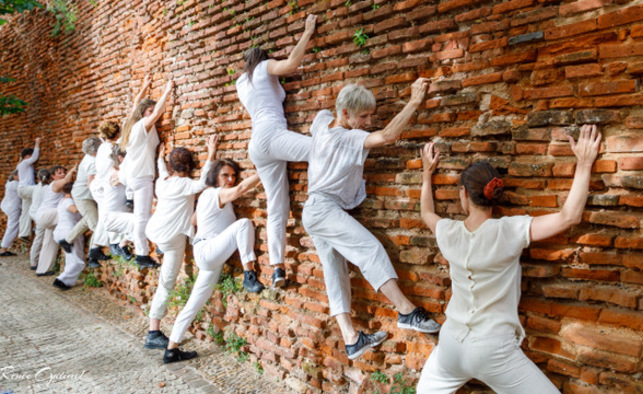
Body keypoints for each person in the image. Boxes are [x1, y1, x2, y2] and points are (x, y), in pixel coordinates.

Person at [415, 125, 602, 393]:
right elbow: (568, 217)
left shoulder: (448, 231)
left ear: (464, 195)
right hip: (492, 351)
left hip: (450, 346)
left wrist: (426, 175)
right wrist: (584, 163)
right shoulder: (509, 231)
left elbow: (426, 213)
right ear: (493, 196)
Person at [301, 79, 440, 360]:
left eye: (369, 115)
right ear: (344, 114)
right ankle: (407, 311)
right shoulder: (346, 136)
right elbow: (388, 135)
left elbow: (319, 118)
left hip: (316, 210)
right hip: (323, 209)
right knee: (369, 248)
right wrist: (414, 100)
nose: (368, 121)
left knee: (335, 273)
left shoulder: (322, 122)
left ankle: (351, 339)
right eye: (363, 116)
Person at [236, 14, 317, 288]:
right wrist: (307, 31)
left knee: (277, 207)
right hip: (272, 135)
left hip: (257, 145)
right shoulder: (262, 69)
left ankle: (278, 268)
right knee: (321, 149)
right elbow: (292, 64)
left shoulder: (240, 84)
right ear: (261, 59)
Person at [163, 159, 260, 363]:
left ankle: (171, 350)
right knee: (243, 224)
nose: (231, 179)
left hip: (207, 253)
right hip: (208, 249)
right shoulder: (217, 193)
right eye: (225, 175)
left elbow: (194, 220)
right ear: (215, 176)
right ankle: (249, 275)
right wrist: (266, 169)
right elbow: (241, 189)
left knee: (193, 304)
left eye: (233, 175)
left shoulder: (205, 195)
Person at [119, 78, 174, 268]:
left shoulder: (136, 125)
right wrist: (168, 90)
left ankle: (127, 242)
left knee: (142, 216)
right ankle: (142, 254)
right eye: (148, 112)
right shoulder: (141, 126)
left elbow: (136, 105)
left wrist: (144, 87)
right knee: (142, 217)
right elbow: (157, 111)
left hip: (137, 177)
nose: (153, 115)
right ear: (144, 114)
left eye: (151, 111)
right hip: (141, 178)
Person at [58, 137, 109, 268]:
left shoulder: (89, 157)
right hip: (83, 196)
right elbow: (90, 183)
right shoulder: (92, 161)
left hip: (84, 195)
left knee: (88, 220)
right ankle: (93, 255)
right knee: (96, 225)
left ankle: (67, 240)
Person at [91, 120, 131, 260]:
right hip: (106, 185)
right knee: (112, 214)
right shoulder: (111, 148)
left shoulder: (103, 146)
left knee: (105, 216)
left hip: (100, 184)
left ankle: (95, 248)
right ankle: (115, 244)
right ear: (117, 133)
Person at [35, 165, 76, 275]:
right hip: (46, 215)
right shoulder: (55, 184)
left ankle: (42, 270)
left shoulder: (60, 185)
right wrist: (72, 170)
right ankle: (69, 238)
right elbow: (67, 179)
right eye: (59, 173)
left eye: (64, 172)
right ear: (53, 176)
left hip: (50, 217)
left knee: (50, 242)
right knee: (69, 212)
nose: (63, 174)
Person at [101, 147, 134, 259]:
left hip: (120, 214)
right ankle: (124, 245)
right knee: (138, 222)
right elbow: (130, 179)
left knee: (141, 220)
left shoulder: (115, 171)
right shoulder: (115, 174)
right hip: (111, 218)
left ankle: (123, 244)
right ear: (121, 159)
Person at [52, 182, 85, 290]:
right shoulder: (69, 201)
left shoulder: (62, 200)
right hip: (69, 232)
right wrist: (86, 205)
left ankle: (67, 283)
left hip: (60, 231)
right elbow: (74, 209)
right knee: (78, 261)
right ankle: (61, 280)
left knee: (70, 258)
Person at [16, 138, 41, 240]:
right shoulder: (24, 163)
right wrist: (37, 144)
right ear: (26, 156)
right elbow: (34, 157)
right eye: (29, 156)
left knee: (26, 212)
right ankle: (40, 224)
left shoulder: (21, 164)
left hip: (24, 190)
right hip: (25, 188)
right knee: (42, 190)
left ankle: (23, 233)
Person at [28, 169, 50, 269]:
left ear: (38, 177)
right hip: (41, 214)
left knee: (38, 238)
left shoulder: (36, 187)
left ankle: (34, 261)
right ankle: (34, 262)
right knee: (40, 238)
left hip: (34, 213)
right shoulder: (48, 189)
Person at [0, 170, 21, 256]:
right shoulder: (15, 184)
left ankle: (5, 247)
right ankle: (4, 249)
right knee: (12, 228)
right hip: (13, 208)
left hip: (8, 206)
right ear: (15, 175)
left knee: (11, 227)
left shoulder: (9, 182)